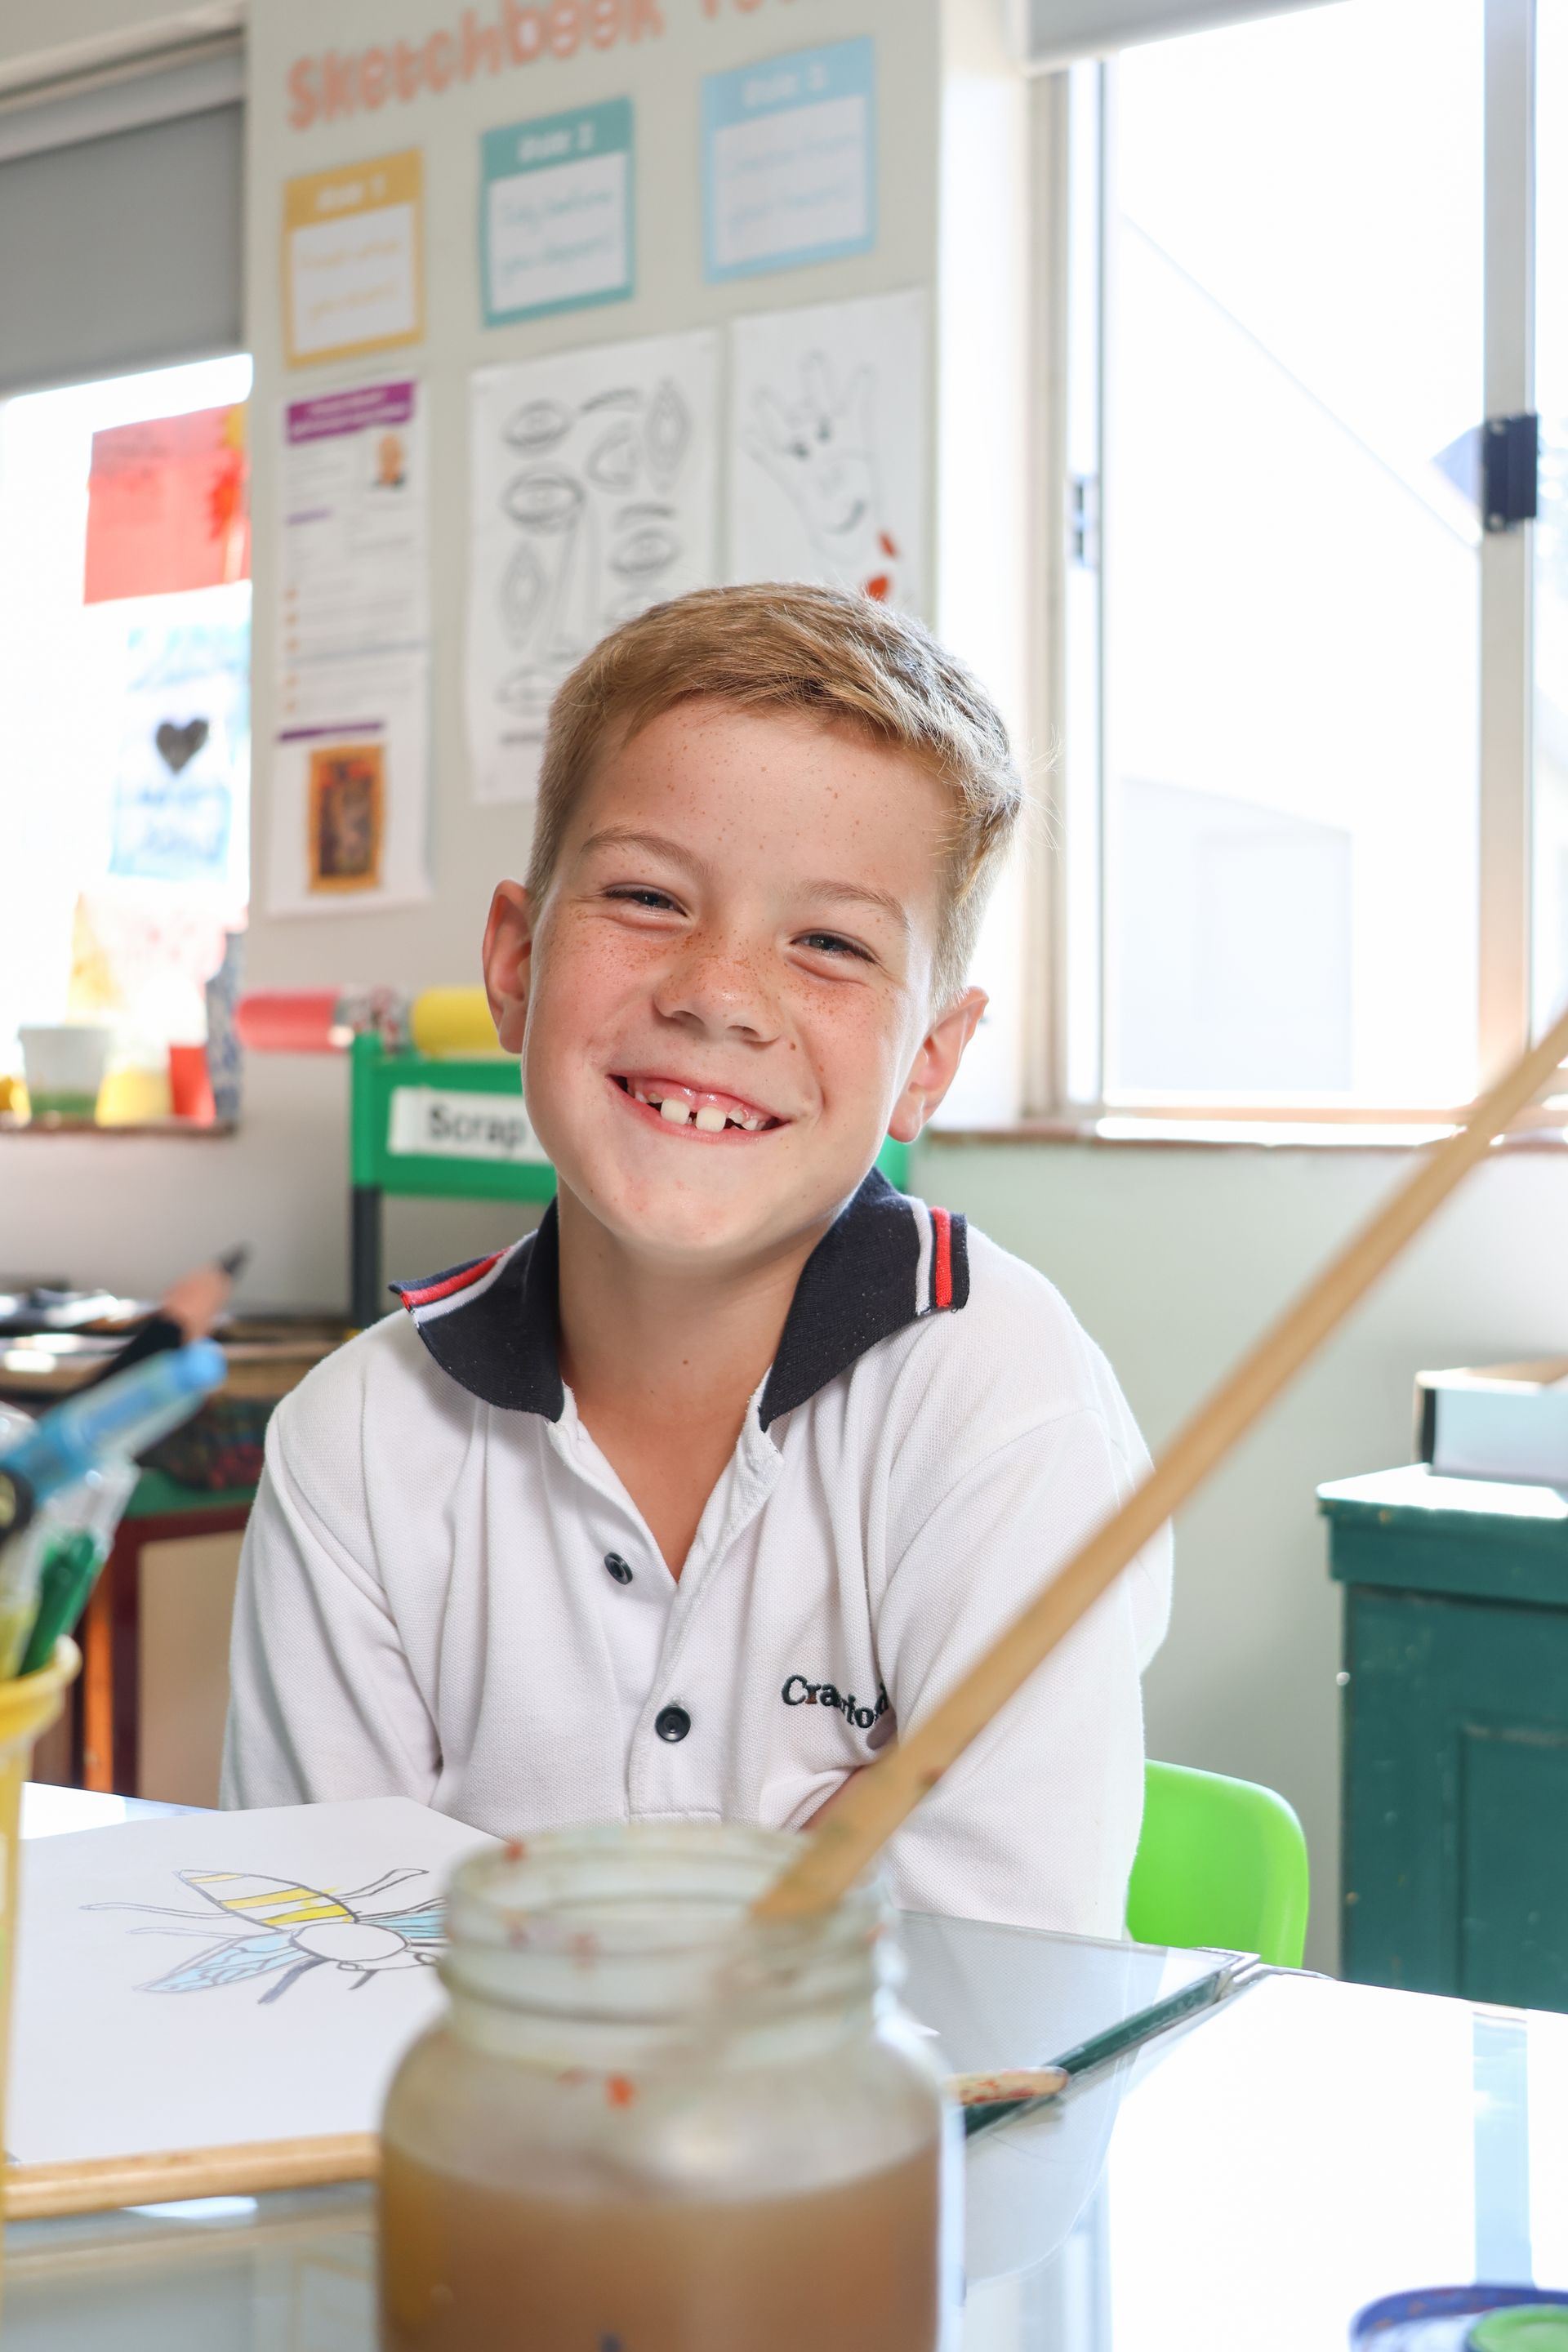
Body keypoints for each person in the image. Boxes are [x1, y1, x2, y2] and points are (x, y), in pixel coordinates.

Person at [221, 584, 1170, 1937]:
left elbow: (996, 1983)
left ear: (932, 1065)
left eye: (831, 944)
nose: (719, 992)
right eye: (650, 897)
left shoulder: (997, 1395)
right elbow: (315, 1965)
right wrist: (805, 1876)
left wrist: (531, 1930)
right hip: (477, 2154)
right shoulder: (356, 1445)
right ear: (513, 961)